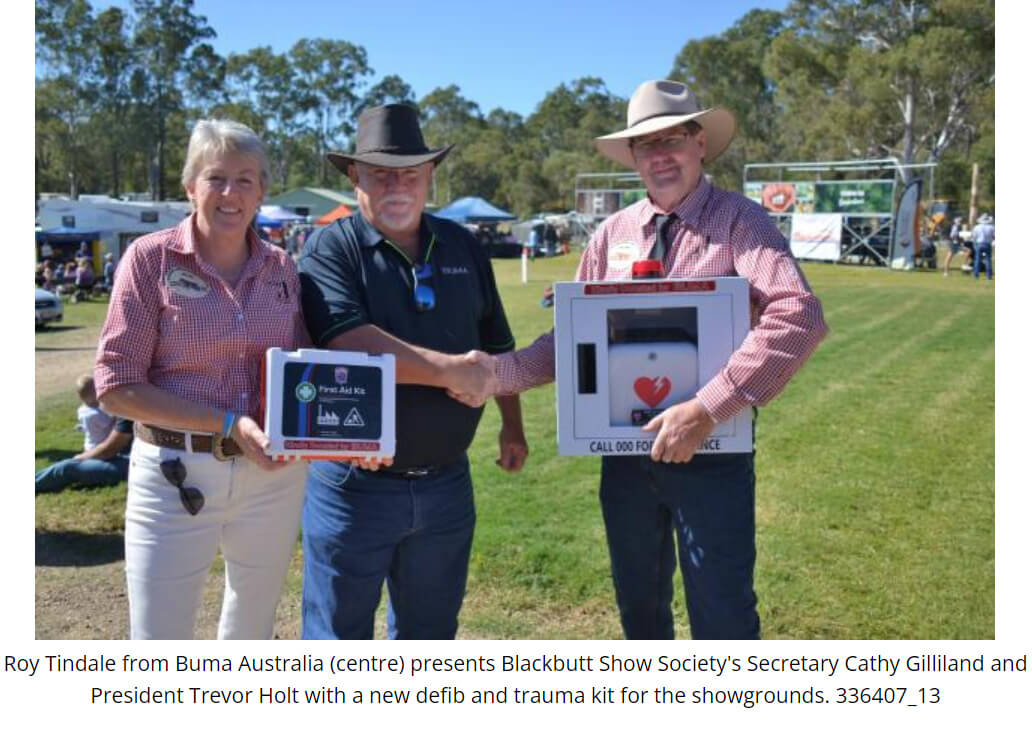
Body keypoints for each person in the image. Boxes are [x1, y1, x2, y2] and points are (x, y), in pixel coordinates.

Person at [455, 80, 828, 640]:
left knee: (723, 614)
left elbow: (799, 315)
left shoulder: (740, 222)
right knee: (639, 608)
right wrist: (494, 375)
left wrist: (706, 408)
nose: (659, 156)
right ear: (632, 157)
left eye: (672, 139)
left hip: (712, 451)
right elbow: (572, 339)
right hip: (624, 458)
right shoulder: (612, 234)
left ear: (700, 144)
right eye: (644, 145)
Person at [297, 103, 527, 640]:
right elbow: (349, 343)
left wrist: (511, 423)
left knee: (429, 641)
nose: (397, 184)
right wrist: (451, 371)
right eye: (380, 173)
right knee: (336, 643)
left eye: (410, 172)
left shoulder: (463, 245)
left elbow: (496, 346)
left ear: (430, 176)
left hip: (447, 484)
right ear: (355, 176)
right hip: (354, 488)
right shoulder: (330, 248)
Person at [94, 119, 310, 640]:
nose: (230, 193)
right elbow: (116, 385)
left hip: (271, 477)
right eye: (216, 178)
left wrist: (336, 430)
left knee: (250, 636)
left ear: (261, 192)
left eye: (246, 179)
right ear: (191, 187)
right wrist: (228, 422)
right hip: (173, 474)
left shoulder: (282, 267)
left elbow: (304, 365)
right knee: (159, 645)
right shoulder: (150, 260)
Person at [35, 374, 132, 493]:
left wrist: (80, 458)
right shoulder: (131, 400)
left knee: (68, 467)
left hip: (133, 463)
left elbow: (110, 448)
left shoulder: (129, 405)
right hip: (132, 458)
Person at [971, 213, 995, 280]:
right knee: (988, 260)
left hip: (979, 244)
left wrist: (974, 244)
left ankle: (976, 275)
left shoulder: (976, 227)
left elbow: (974, 237)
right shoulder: (991, 227)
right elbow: (994, 236)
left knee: (977, 260)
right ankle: (989, 276)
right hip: (987, 244)